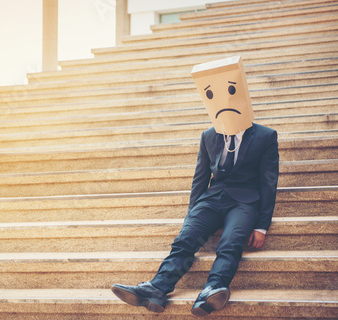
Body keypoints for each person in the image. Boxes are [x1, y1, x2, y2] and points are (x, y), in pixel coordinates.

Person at [111, 56, 279, 317]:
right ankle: (157, 287)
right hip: (212, 198)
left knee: (230, 242)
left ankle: (214, 288)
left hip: (245, 201)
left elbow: (269, 181)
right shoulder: (209, 135)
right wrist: (192, 213)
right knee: (185, 240)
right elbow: (199, 178)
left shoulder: (266, 136)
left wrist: (261, 225)